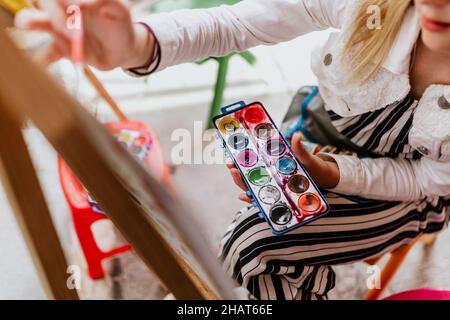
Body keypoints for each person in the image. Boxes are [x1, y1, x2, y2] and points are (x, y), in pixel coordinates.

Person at [16, 0, 450, 300]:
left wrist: (333, 174)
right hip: (316, 132)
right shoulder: (372, 7)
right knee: (266, 239)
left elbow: (423, 179)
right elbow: (240, 23)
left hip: (402, 195)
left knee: (250, 248)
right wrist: (135, 44)